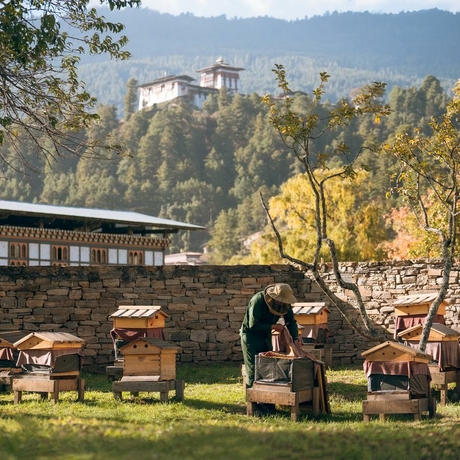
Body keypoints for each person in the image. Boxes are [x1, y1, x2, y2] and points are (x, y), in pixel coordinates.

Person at [240, 283, 301, 389]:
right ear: (273, 296)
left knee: (267, 367)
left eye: (284, 301)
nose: (282, 303)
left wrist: (295, 338)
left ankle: (266, 399)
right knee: (254, 368)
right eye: (280, 300)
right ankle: (254, 400)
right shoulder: (258, 300)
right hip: (251, 337)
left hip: (266, 337)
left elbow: (291, 321)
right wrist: (274, 326)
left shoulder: (285, 303)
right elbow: (253, 324)